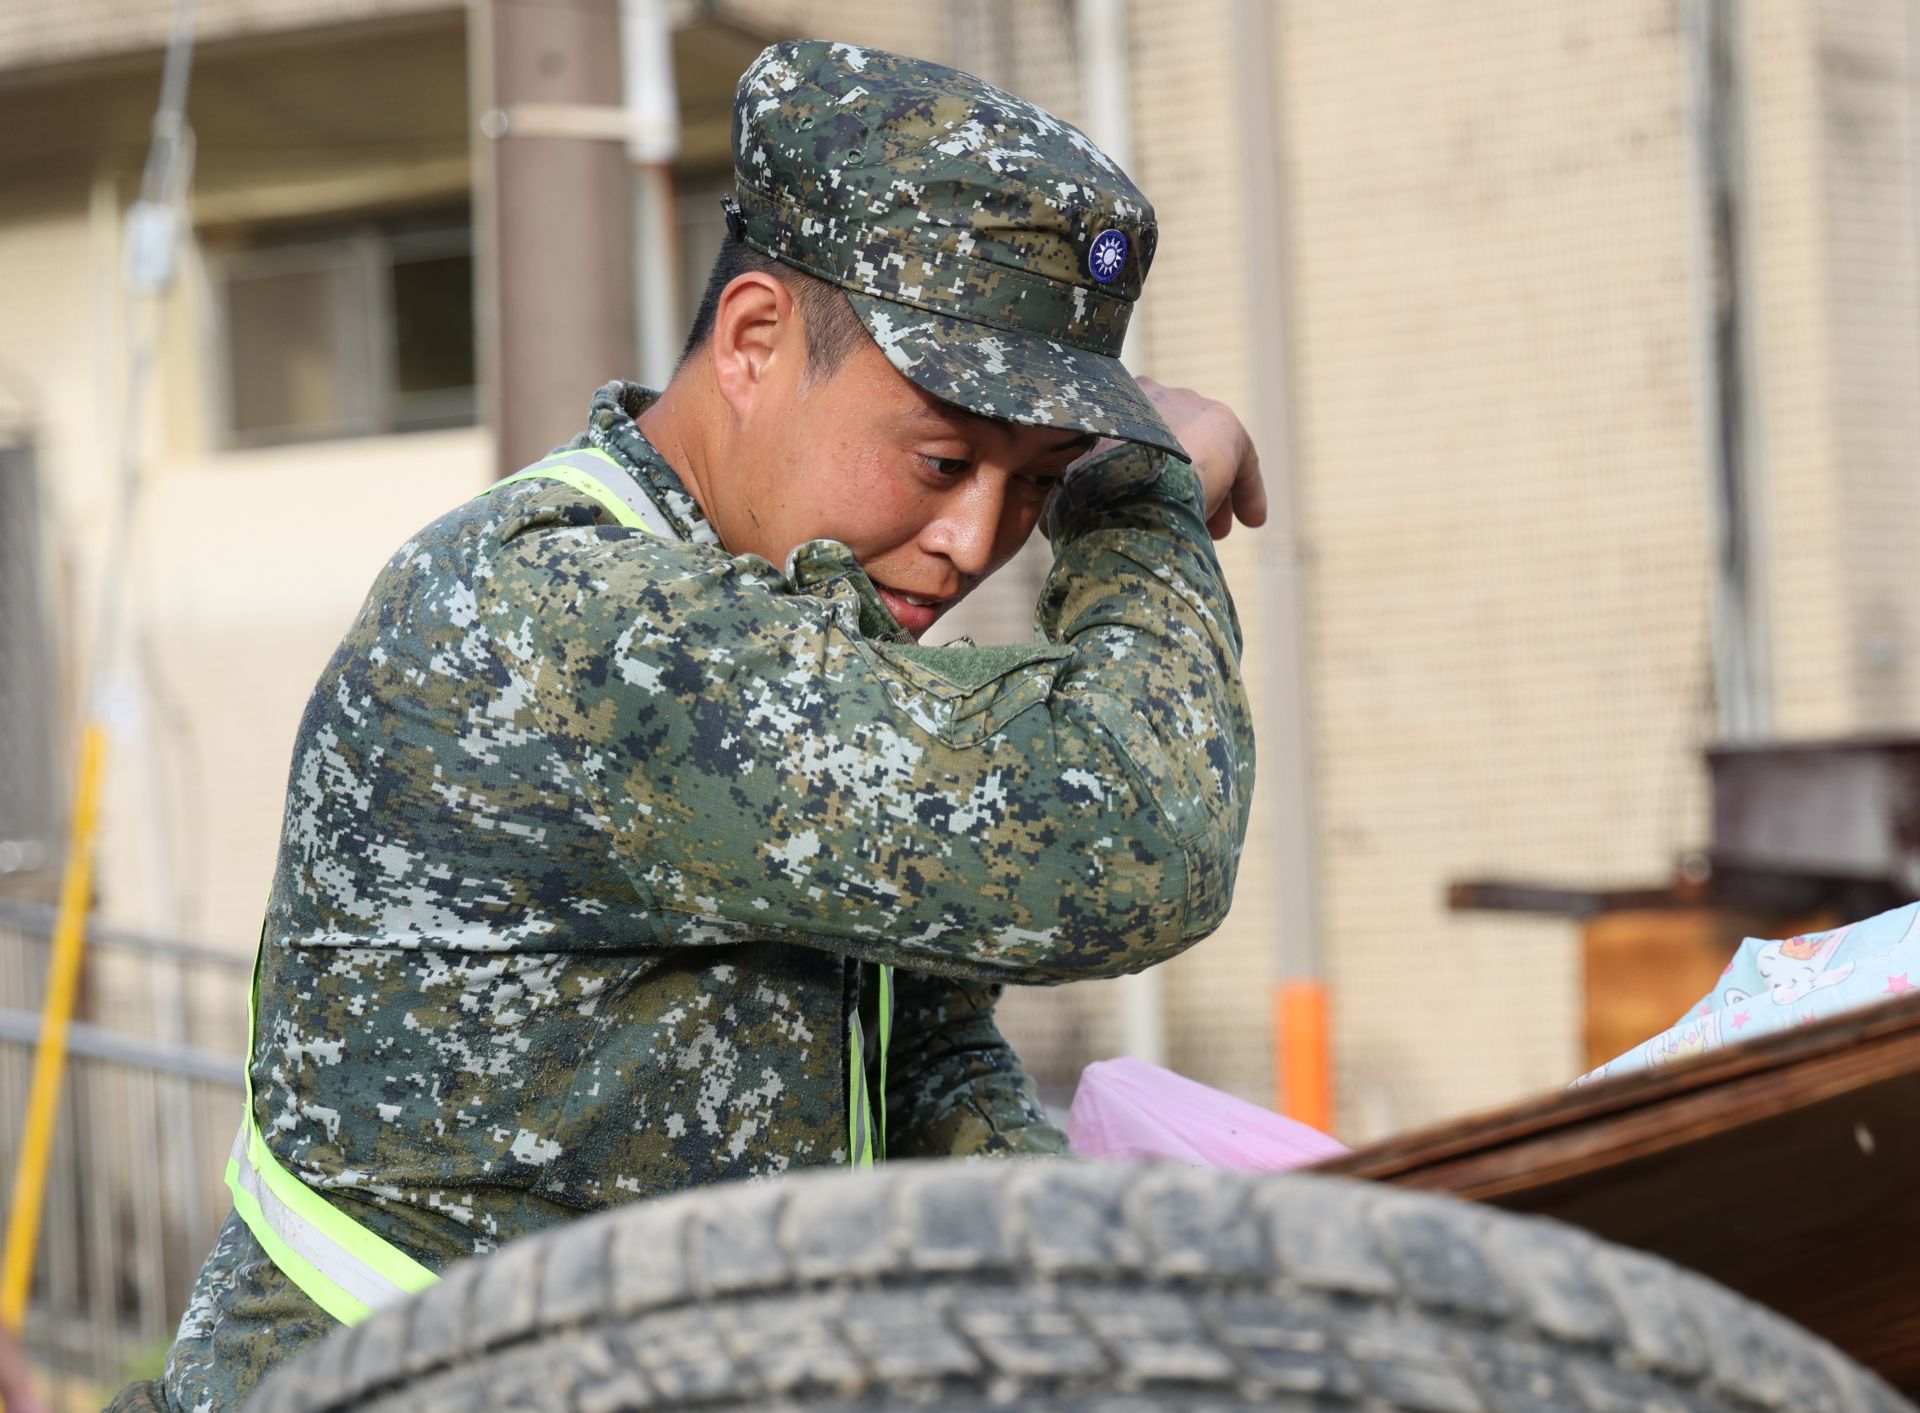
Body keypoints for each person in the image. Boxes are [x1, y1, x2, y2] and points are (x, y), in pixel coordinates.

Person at [120, 38, 1264, 1411]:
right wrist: (1138, 502)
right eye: (943, 460)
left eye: (1039, 483)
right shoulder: (574, 619)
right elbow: (1140, 829)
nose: (976, 541)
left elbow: (912, 1054)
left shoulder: (781, 624)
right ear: (755, 341)